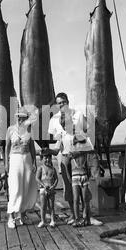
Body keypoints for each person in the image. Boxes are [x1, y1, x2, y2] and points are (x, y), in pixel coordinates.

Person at [48, 92, 86, 225]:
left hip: (78, 156)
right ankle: (74, 214)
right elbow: (57, 142)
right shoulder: (54, 120)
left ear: (67, 101)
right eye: (58, 103)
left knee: (82, 185)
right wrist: (50, 150)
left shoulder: (78, 114)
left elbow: (85, 133)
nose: (61, 105)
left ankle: (86, 214)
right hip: (64, 156)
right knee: (69, 186)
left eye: (63, 102)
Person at [5, 107, 38, 229]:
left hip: (27, 158)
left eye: (22, 117)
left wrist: (34, 162)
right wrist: (6, 163)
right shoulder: (10, 129)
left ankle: (22, 215)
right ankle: (11, 216)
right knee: (15, 186)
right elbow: (7, 147)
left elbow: (32, 147)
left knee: (26, 186)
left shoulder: (29, 129)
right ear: (15, 117)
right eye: (18, 117)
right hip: (15, 159)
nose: (20, 119)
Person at [35, 148, 58, 228]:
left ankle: (52, 220)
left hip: (51, 190)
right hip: (43, 190)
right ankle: (43, 220)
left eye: (49, 158)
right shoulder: (40, 168)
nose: (47, 159)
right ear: (41, 159)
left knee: (51, 206)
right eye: (45, 158)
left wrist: (54, 186)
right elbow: (37, 178)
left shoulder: (53, 169)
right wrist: (43, 185)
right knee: (43, 206)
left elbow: (56, 179)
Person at [70, 148, 93, 227]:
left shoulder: (85, 153)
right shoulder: (72, 153)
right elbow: (67, 164)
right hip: (74, 176)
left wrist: (88, 176)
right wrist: (69, 178)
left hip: (84, 176)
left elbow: (88, 167)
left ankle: (85, 218)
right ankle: (77, 219)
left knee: (85, 199)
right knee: (76, 199)